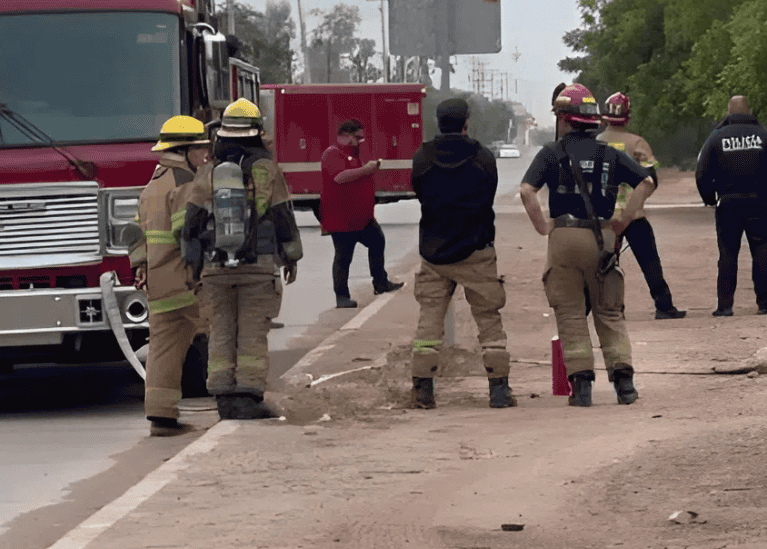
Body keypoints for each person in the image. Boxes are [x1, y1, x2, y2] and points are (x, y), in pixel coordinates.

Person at [519, 83, 657, 407]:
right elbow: (646, 182)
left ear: (564, 120)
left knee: (569, 314)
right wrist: (623, 218)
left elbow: (527, 191)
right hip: (603, 238)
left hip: (564, 237)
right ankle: (625, 384)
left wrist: (543, 227)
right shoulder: (609, 153)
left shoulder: (551, 153)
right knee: (609, 312)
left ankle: (581, 388)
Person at [181, 98, 303, 420]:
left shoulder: (207, 173)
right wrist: (291, 257)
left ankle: (223, 400)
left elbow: (191, 224)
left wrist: (194, 266)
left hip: (213, 268)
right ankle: (248, 398)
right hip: (257, 266)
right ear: (255, 133)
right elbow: (283, 218)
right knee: (251, 331)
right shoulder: (267, 170)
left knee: (220, 332)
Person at [409, 98, 516, 410]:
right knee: (489, 321)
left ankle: (423, 390)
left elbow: (420, 192)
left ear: (438, 122)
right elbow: (488, 195)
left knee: (429, 322)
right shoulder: (483, 157)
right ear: (466, 122)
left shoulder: (422, 157)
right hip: (477, 250)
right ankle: (498, 389)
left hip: (434, 253)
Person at [131, 115, 212, 437]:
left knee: (164, 350)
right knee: (226, 331)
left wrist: (141, 267)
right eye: (200, 149)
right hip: (187, 281)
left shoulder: (152, 185)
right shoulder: (184, 183)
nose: (204, 155)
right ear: (186, 149)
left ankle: (161, 418)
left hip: (159, 283)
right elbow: (189, 234)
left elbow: (134, 233)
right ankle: (237, 404)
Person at [695, 95, 767, 317]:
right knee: (762, 252)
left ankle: (725, 306)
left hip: (728, 204)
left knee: (727, 254)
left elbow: (702, 173)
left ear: (728, 112)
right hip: (760, 203)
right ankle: (765, 303)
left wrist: (709, 198)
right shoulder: (765, 137)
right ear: (750, 111)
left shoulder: (716, 138)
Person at [598, 92, 685, 320]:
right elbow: (651, 179)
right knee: (650, 261)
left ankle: (612, 309)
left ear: (605, 117)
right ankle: (664, 306)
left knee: (606, 263)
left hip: (604, 216)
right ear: (627, 116)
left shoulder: (595, 143)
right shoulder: (637, 143)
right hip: (633, 214)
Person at [322, 118, 402, 308]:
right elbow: (340, 177)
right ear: (347, 136)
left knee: (377, 241)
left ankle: (380, 283)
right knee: (343, 257)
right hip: (342, 218)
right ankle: (341, 296)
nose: (360, 141)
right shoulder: (332, 154)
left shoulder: (353, 154)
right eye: (358, 138)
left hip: (362, 217)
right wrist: (365, 170)